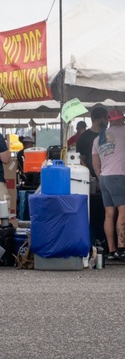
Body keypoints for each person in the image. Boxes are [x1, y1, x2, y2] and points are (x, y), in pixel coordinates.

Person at [93, 107, 125, 261]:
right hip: (118, 176)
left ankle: (111, 251)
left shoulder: (98, 138)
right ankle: (122, 249)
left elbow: (95, 164)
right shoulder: (123, 131)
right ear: (121, 119)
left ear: (108, 120)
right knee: (123, 212)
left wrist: (101, 178)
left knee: (109, 215)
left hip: (104, 178)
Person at [78, 106, 108, 253]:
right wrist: (89, 174)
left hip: (107, 178)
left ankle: (106, 245)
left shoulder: (108, 135)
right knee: (93, 214)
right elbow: (80, 159)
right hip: (90, 182)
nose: (107, 121)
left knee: (107, 213)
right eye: (106, 118)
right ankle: (93, 246)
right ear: (98, 119)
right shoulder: (84, 137)